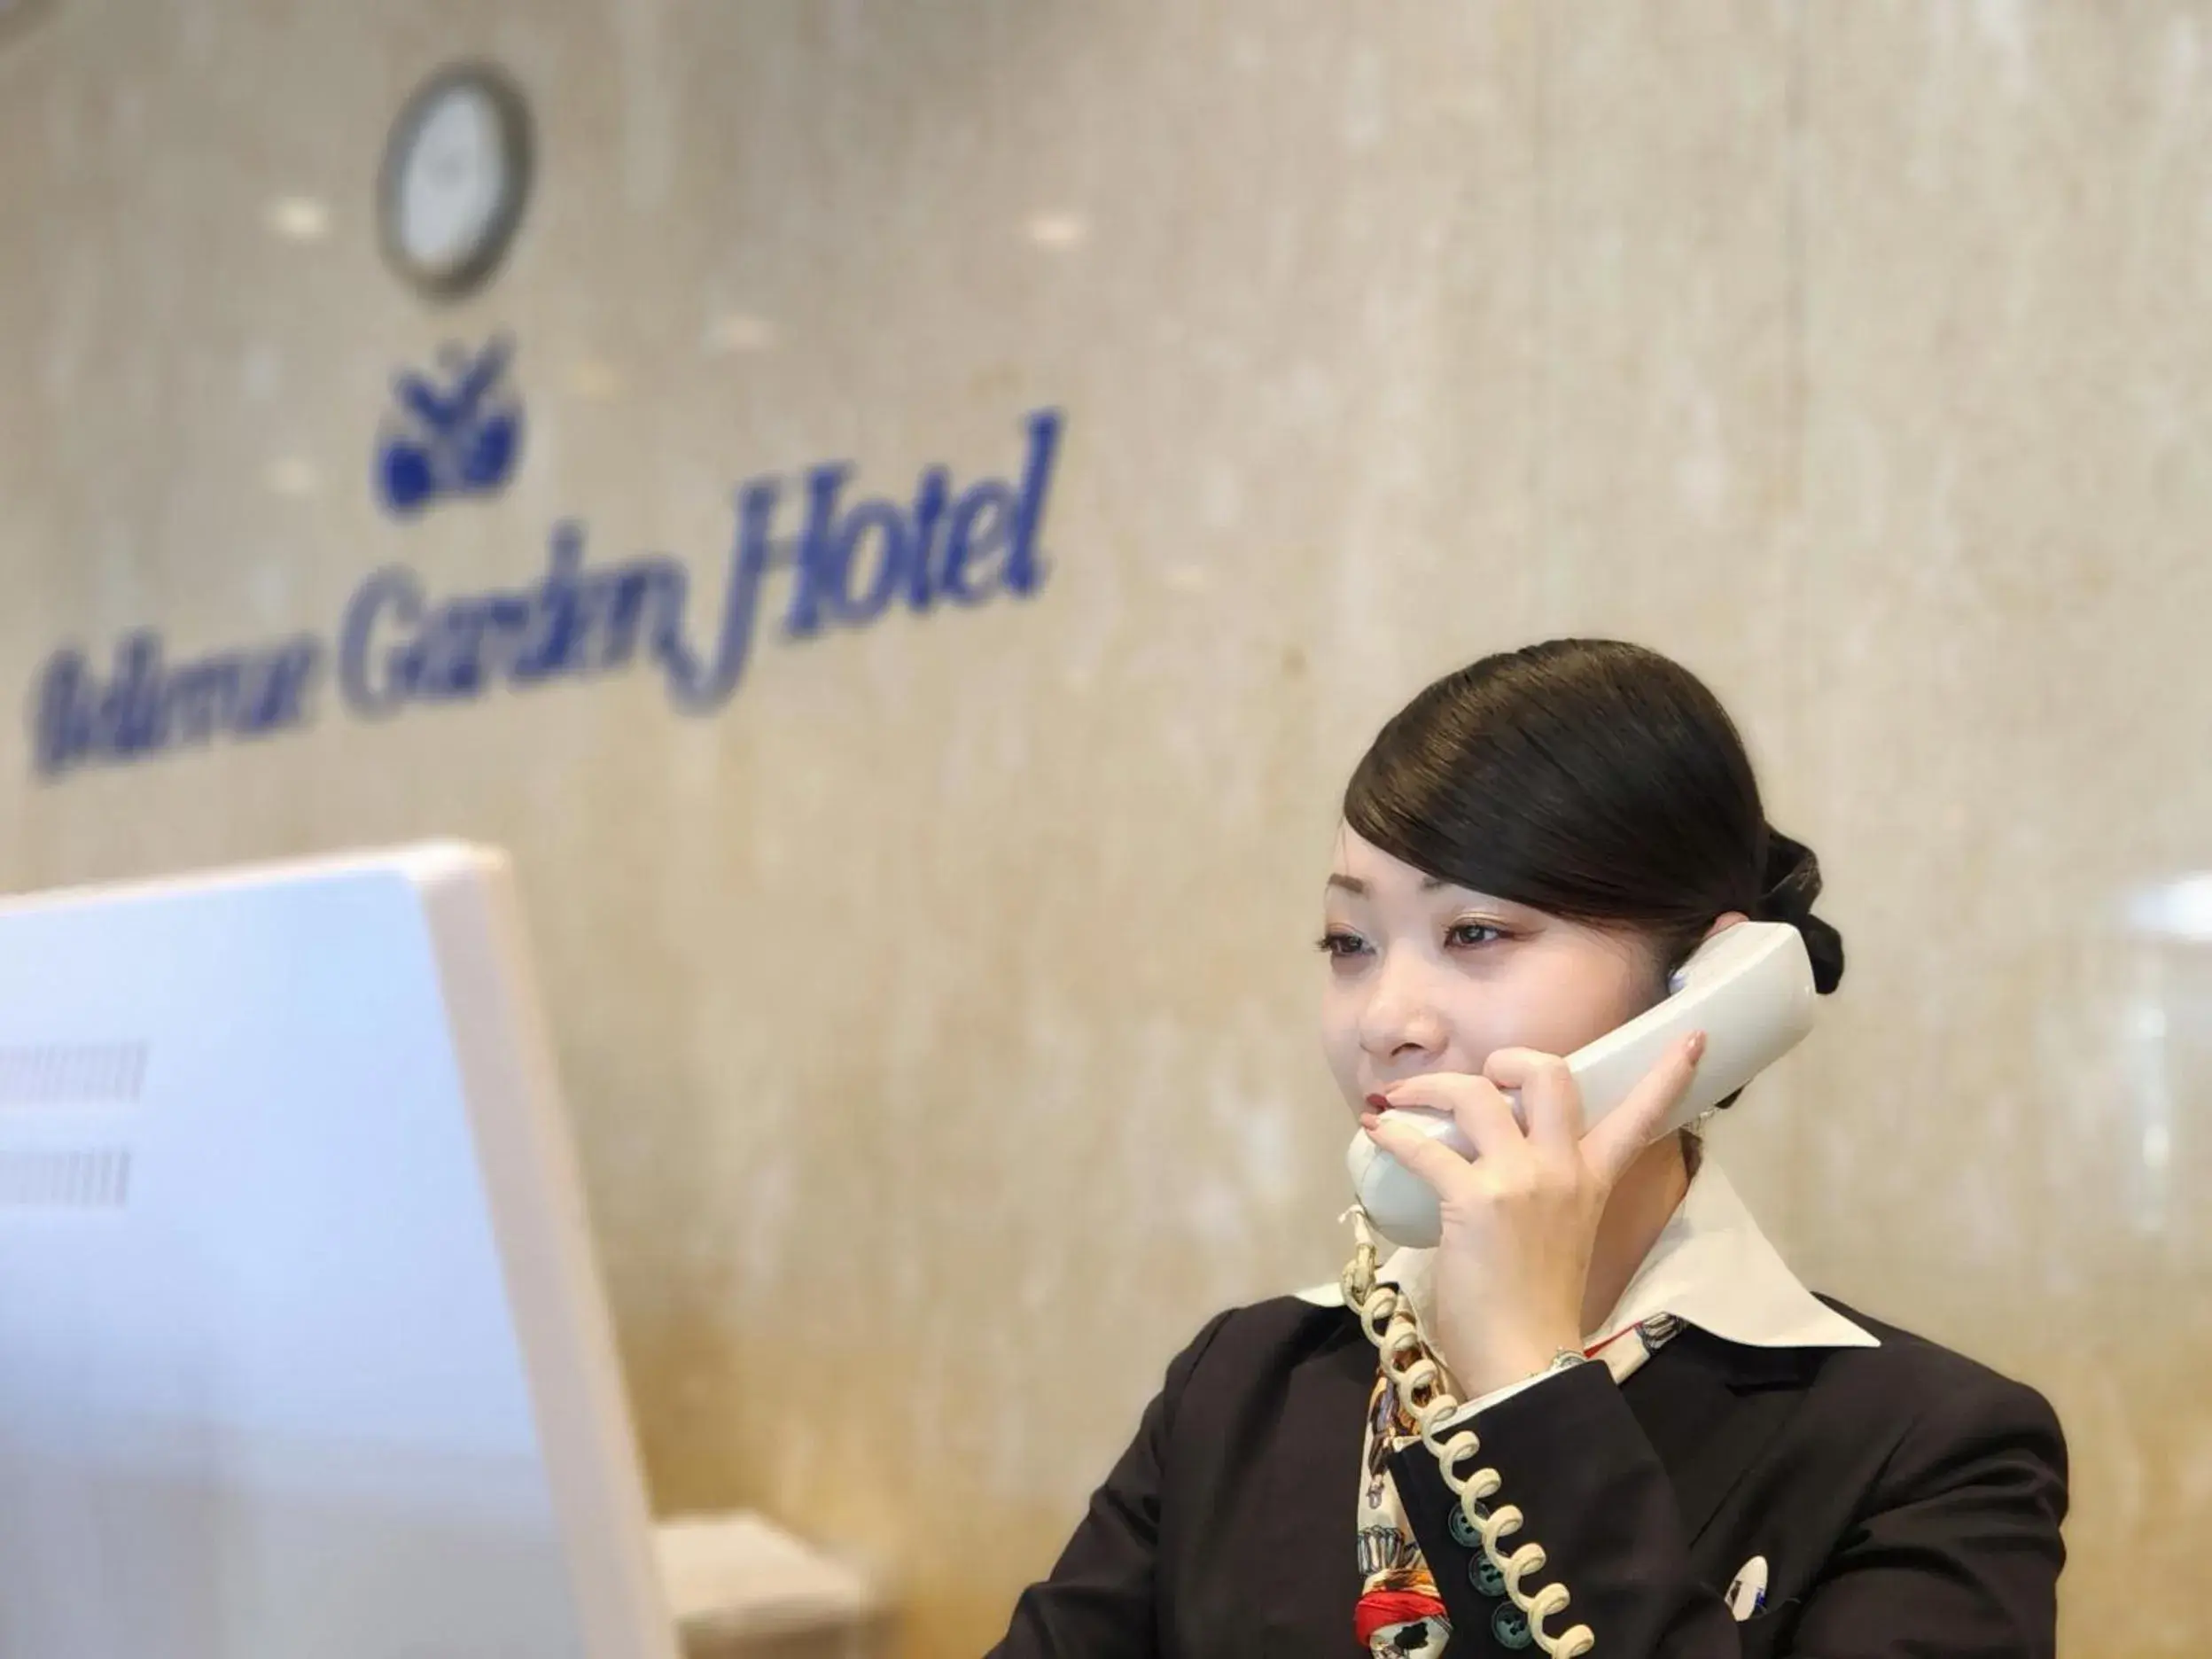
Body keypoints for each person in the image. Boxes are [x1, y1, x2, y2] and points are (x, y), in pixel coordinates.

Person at [987, 639, 2066, 1657]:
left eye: (1475, 934)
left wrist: (1526, 1385)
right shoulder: (1243, 1383)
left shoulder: (1931, 1451)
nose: (1385, 1020)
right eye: (1349, 943)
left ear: (1708, 988)